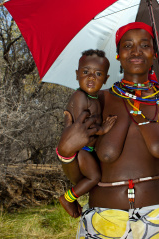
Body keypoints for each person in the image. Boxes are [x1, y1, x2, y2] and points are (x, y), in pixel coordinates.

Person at [57, 22, 159, 238]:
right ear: (118, 55)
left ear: (155, 53)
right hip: (103, 222)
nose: (136, 51)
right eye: (127, 45)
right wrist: (66, 153)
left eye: (145, 45)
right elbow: (79, 176)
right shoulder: (96, 100)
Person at [56, 49, 116, 218]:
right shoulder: (80, 97)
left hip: (88, 150)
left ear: (105, 79)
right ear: (77, 74)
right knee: (94, 177)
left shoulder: (95, 98)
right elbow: (82, 129)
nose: (91, 77)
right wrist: (102, 129)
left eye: (98, 73)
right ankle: (68, 198)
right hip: (80, 150)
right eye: (85, 72)